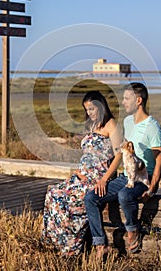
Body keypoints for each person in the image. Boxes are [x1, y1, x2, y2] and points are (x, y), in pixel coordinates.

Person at [84, 82, 161, 257]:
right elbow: (123, 152)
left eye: (126, 98)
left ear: (138, 100)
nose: (123, 102)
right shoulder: (128, 122)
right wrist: (105, 177)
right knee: (91, 198)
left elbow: (160, 162)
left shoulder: (152, 127)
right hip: (126, 177)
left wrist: (151, 189)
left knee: (124, 195)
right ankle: (100, 244)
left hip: (143, 178)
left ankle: (132, 230)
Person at [41, 90, 122, 256]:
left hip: (98, 178)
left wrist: (104, 180)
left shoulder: (111, 124)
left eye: (92, 109)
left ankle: (70, 248)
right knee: (52, 193)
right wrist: (78, 171)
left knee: (62, 199)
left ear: (101, 106)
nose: (89, 113)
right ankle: (54, 244)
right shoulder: (91, 125)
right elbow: (89, 154)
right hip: (82, 176)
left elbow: (119, 155)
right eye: (87, 110)